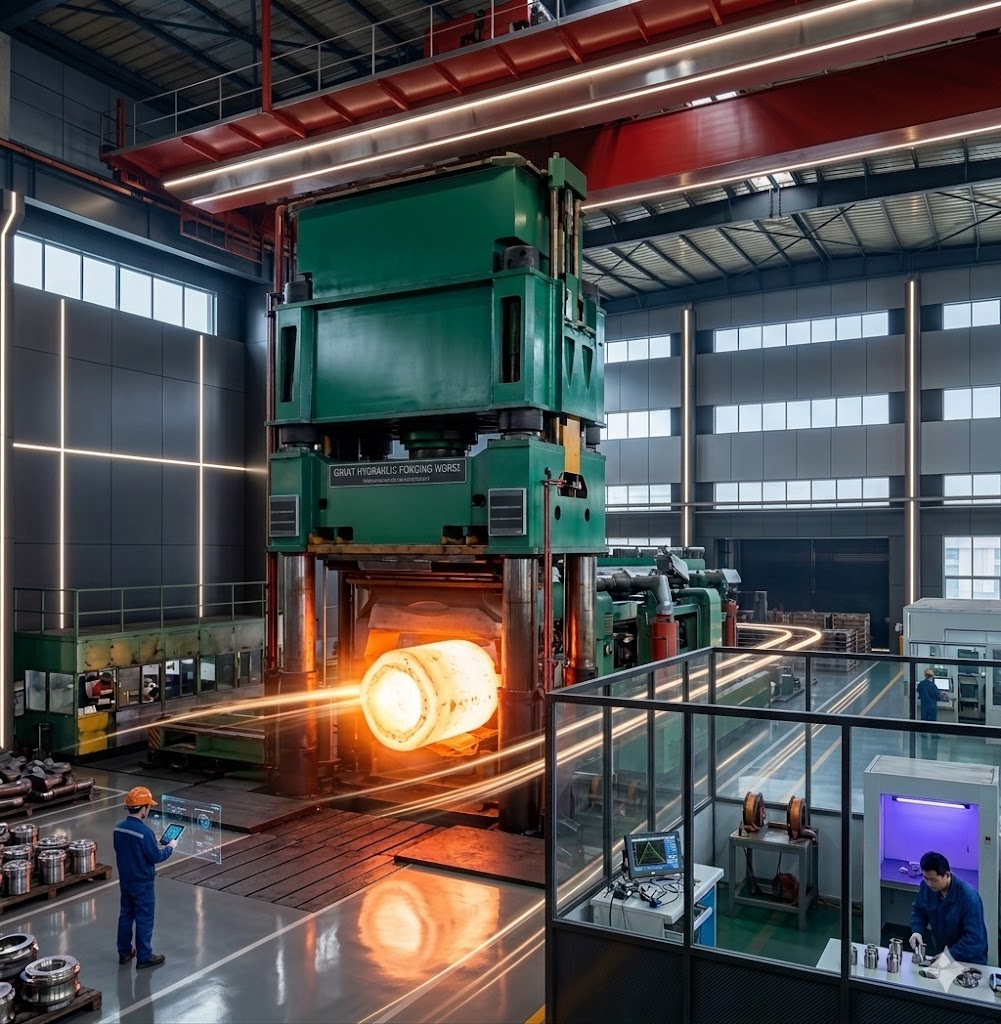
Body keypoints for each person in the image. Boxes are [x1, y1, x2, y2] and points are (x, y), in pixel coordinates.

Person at [114, 786, 177, 969]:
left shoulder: (118, 828)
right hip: (143, 884)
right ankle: (144, 957)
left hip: (126, 881)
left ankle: (124, 952)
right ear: (144, 808)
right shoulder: (145, 833)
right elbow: (156, 857)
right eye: (148, 806)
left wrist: (149, 843)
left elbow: (125, 850)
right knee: (144, 919)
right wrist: (170, 847)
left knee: (126, 916)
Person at [909, 851, 989, 964]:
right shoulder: (927, 887)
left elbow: (974, 939)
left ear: (947, 875)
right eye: (926, 878)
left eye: (934, 880)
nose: (929, 884)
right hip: (943, 955)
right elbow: (919, 910)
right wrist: (917, 931)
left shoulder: (969, 897)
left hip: (968, 959)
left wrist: (949, 955)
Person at [917, 668, 946, 756]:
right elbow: (937, 696)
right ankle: (934, 736)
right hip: (932, 706)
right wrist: (943, 695)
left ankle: (924, 736)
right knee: (932, 722)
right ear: (932, 677)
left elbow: (918, 691)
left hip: (924, 706)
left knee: (924, 721)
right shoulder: (933, 686)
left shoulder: (921, 684)